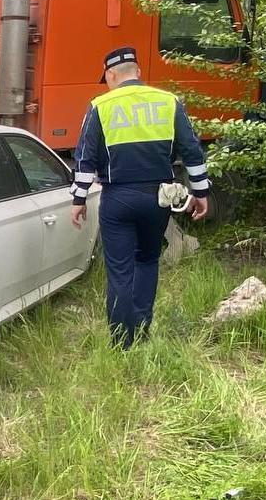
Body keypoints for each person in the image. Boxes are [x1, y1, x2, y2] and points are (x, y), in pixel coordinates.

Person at [69, 47, 210, 348]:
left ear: (111, 75)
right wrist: (201, 192)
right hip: (157, 197)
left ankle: (122, 342)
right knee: (147, 261)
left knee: (120, 270)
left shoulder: (100, 106)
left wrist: (78, 199)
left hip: (117, 198)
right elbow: (192, 151)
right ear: (138, 72)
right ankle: (143, 330)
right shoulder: (168, 102)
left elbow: (85, 158)